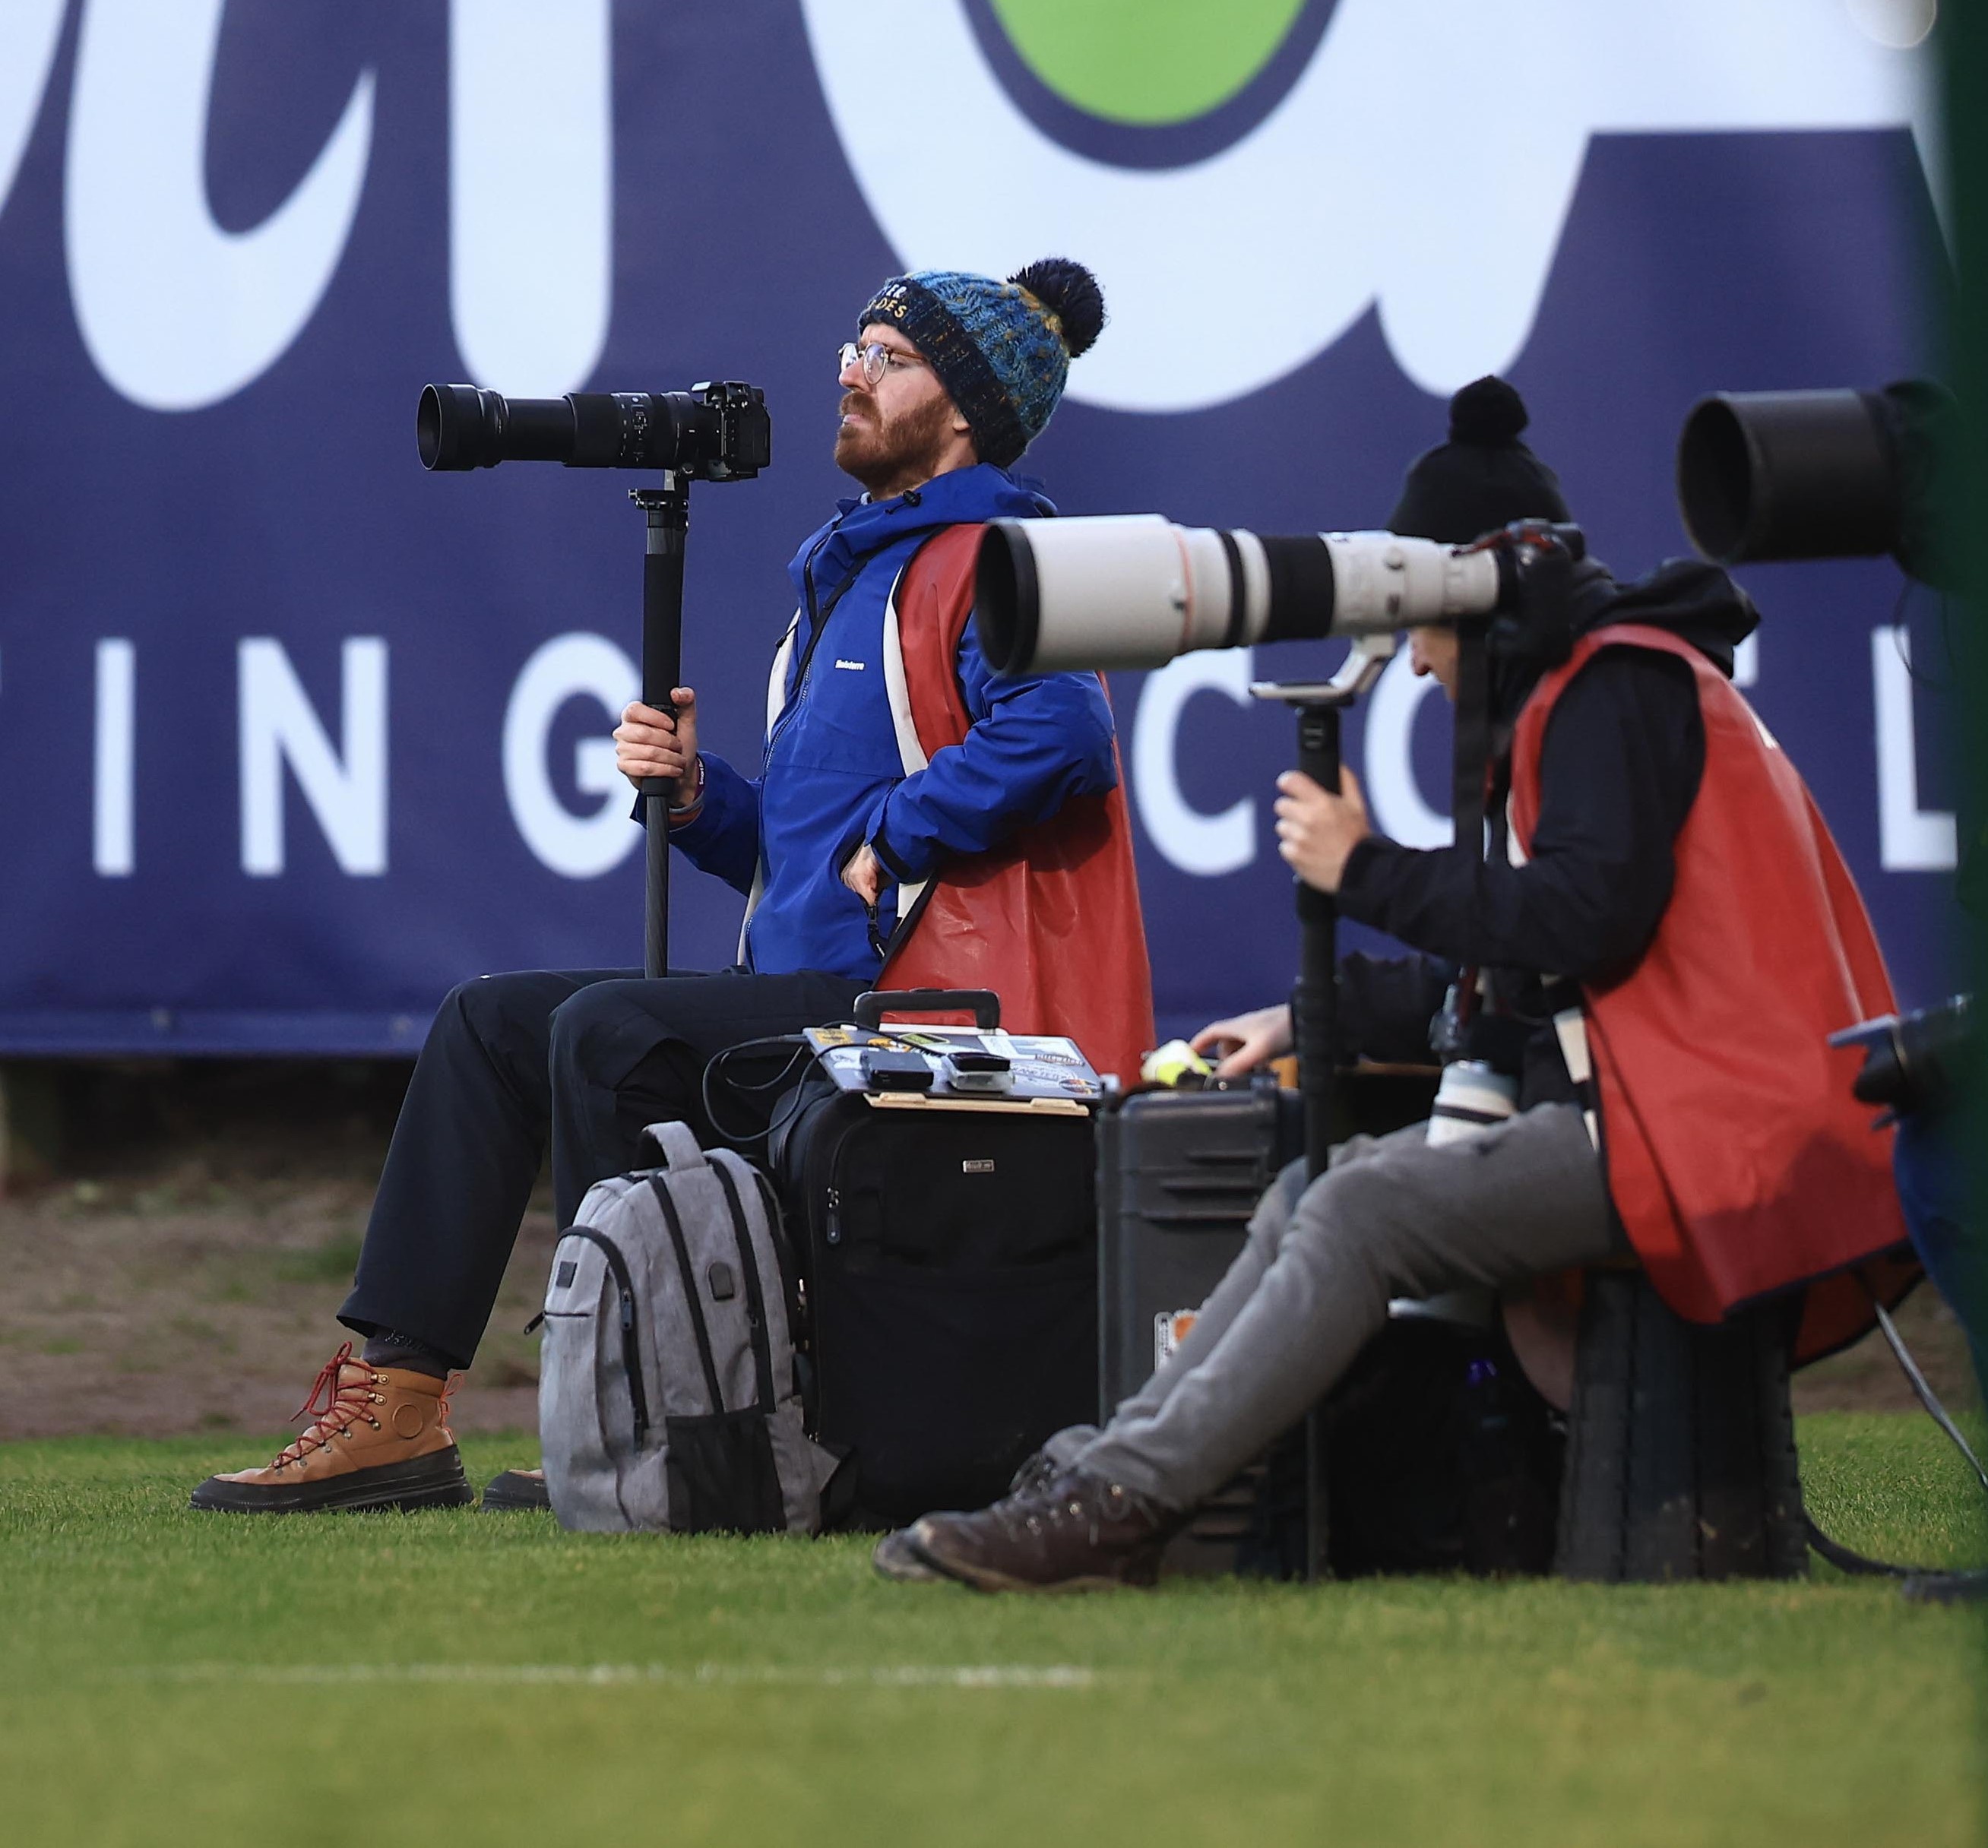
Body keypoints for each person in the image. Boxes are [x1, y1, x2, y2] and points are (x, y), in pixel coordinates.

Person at [881, 376, 1910, 1590]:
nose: (1416, 664)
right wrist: (1304, 1018)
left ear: (1473, 598)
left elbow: (1581, 919)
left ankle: (1118, 1509)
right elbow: (1524, 973)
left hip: (1718, 1132)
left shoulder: (1616, 684)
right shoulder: (1617, 680)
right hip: (1679, 1111)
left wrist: (1361, 866)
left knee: (1362, 1208)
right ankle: (1112, 1475)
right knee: (1323, 1186)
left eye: (1422, 618)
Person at [192, 258, 1154, 1515]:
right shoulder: (852, 580)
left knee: (610, 1031)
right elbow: (805, 857)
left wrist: (898, 834)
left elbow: (1066, 734)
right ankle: (397, 1404)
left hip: (930, 1015)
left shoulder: (1005, 551)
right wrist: (703, 798)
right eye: (853, 349)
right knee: (491, 1022)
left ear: (963, 410)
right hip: (820, 992)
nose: (851, 374)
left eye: (890, 359)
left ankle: (632, 1409)